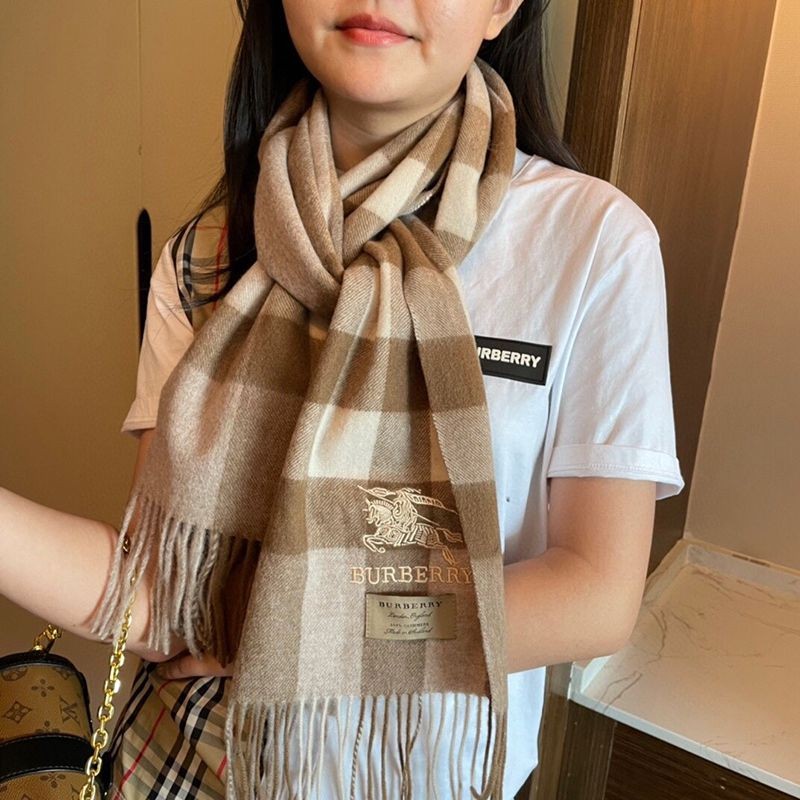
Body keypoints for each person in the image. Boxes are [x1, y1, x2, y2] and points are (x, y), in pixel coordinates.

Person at [0, 0, 684, 798]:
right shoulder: (208, 255)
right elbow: (158, 598)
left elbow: (595, 594)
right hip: (179, 769)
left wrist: (301, 627)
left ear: (502, 6)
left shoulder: (592, 245)